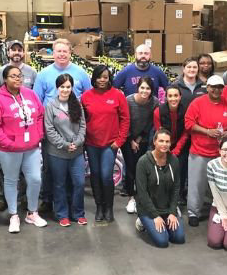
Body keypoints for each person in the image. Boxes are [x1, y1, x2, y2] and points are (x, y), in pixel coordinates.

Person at [33, 39, 91, 214]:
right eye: (58, 51)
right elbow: (37, 101)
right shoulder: (43, 74)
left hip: (73, 129)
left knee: (73, 170)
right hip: (51, 129)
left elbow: (88, 99)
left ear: (70, 52)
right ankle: (47, 198)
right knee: (50, 167)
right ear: (53, 53)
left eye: (65, 51)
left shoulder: (81, 73)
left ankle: (69, 202)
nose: (61, 54)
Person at [0, 65, 46, 233]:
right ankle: (13, 215)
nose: (17, 79)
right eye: (13, 76)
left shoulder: (30, 94)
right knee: (12, 180)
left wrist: (39, 134)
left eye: (19, 76)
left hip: (31, 147)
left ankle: (32, 213)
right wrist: (9, 144)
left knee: (35, 179)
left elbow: (40, 114)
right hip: (8, 150)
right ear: (5, 79)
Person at [183, 76, 227, 226]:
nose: (216, 90)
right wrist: (207, 131)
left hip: (221, 154)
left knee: (222, 185)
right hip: (199, 151)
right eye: (213, 87)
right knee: (197, 184)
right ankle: (194, 212)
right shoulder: (197, 103)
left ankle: (222, 210)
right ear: (207, 88)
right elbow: (188, 123)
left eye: (219, 87)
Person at [81, 64, 130, 224]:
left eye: (105, 77)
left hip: (110, 144)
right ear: (94, 78)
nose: (102, 80)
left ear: (109, 79)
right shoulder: (86, 96)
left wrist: (119, 141)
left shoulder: (118, 95)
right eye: (99, 77)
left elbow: (125, 119)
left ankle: (109, 207)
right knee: (94, 176)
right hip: (91, 143)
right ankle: (99, 207)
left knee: (105, 176)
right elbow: (82, 120)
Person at [42, 74, 87, 227]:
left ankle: (78, 213)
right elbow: (49, 130)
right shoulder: (50, 106)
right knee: (59, 184)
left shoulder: (77, 104)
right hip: (57, 153)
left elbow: (83, 126)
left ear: (72, 88)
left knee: (79, 183)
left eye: (68, 87)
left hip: (77, 152)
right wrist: (64, 144)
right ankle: (62, 214)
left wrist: (77, 142)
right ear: (57, 88)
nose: (65, 90)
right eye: (62, 87)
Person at [134, 129, 185, 248]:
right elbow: (142, 193)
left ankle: (165, 220)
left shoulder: (174, 161)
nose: (164, 144)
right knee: (162, 241)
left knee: (179, 238)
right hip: (148, 210)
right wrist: (155, 216)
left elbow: (176, 188)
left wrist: (172, 212)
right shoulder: (143, 162)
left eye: (167, 141)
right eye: (161, 141)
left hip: (167, 209)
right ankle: (142, 221)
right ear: (154, 142)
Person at [123, 78, 157, 214]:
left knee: (143, 169)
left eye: (148, 88)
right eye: (142, 88)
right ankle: (131, 198)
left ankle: (143, 198)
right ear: (138, 87)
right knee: (131, 169)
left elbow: (150, 123)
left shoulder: (154, 102)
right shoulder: (128, 100)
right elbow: (125, 120)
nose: (145, 91)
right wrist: (131, 140)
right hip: (128, 138)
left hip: (143, 139)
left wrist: (139, 139)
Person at [152, 85, 190, 202]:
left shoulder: (186, 110)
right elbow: (159, 132)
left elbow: (186, 132)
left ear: (180, 97)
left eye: (176, 96)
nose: (173, 99)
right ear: (166, 98)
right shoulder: (158, 111)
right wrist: (166, 148)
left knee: (181, 168)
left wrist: (177, 149)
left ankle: (179, 195)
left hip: (181, 144)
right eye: (170, 96)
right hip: (163, 144)